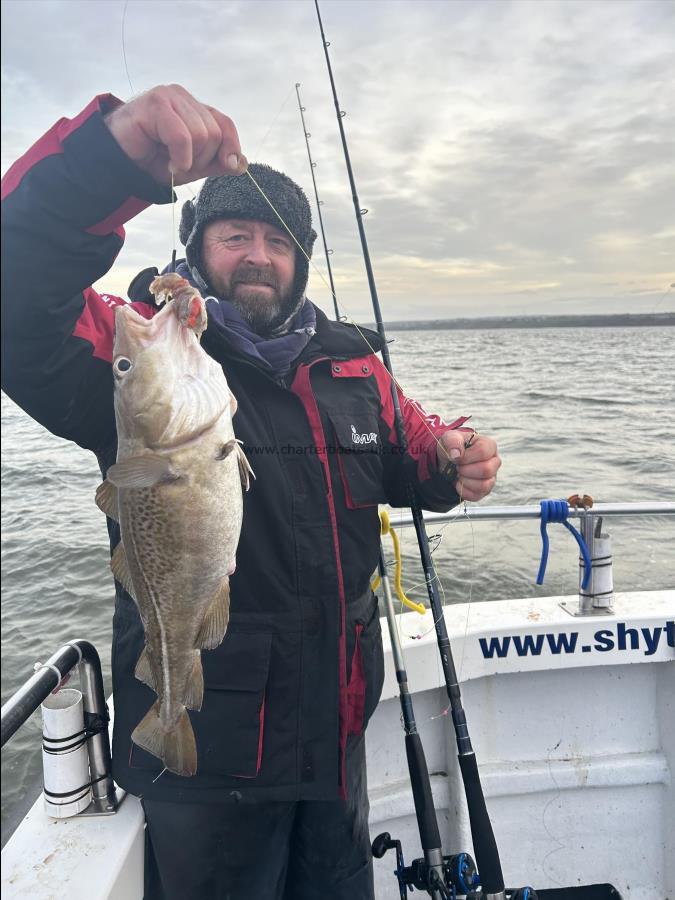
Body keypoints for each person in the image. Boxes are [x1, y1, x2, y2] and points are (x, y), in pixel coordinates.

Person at [1, 84, 501, 899]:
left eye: (277, 240)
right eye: (234, 234)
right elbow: (15, 299)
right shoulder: (143, 349)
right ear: (196, 245)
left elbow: (410, 450)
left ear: (301, 260)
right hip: (206, 749)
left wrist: (452, 458)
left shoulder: (353, 366)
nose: (257, 254)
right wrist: (107, 163)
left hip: (333, 737)